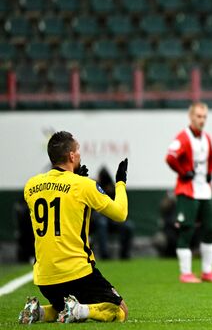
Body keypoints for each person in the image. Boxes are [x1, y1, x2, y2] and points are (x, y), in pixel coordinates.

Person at [19, 131, 129, 324]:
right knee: (118, 311)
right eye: (78, 151)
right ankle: (79, 311)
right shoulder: (83, 185)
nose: (79, 155)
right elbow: (120, 214)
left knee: (64, 307)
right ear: (71, 156)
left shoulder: (31, 186)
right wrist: (120, 182)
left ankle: (39, 312)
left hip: (44, 278)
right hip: (77, 273)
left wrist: (73, 179)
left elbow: (58, 197)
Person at [165, 102, 212, 283]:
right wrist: (183, 172)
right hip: (187, 191)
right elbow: (170, 157)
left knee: (211, 229)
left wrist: (209, 175)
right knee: (187, 230)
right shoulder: (183, 137)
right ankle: (186, 273)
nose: (202, 120)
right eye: (199, 116)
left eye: (204, 117)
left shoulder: (206, 138)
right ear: (191, 117)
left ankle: (207, 271)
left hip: (204, 191)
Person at [91, 167, 134, 260]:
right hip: (98, 219)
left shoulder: (113, 188)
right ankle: (104, 254)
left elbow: (120, 209)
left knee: (128, 226)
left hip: (112, 218)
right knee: (102, 223)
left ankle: (124, 254)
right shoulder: (95, 187)